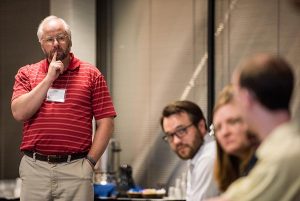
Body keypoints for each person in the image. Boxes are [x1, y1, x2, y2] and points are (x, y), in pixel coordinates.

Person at [11, 15, 116, 201]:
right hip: (35, 169)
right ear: (41, 44)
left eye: (61, 37)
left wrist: (90, 163)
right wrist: (49, 79)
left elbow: (106, 123)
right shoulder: (26, 73)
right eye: (49, 39)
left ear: (70, 39)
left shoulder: (92, 74)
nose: (56, 44)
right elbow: (19, 113)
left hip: (76, 169)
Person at [206, 53, 300, 201]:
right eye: (218, 127)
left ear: (246, 98)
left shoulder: (282, 157)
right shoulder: (285, 146)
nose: (224, 132)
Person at [160, 100, 219, 201]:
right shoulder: (196, 154)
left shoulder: (209, 157)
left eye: (181, 130)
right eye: (170, 135)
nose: (176, 141)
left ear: (201, 126)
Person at [212, 84, 258, 192]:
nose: (224, 132)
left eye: (232, 122)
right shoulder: (234, 169)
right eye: (218, 127)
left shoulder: (267, 163)